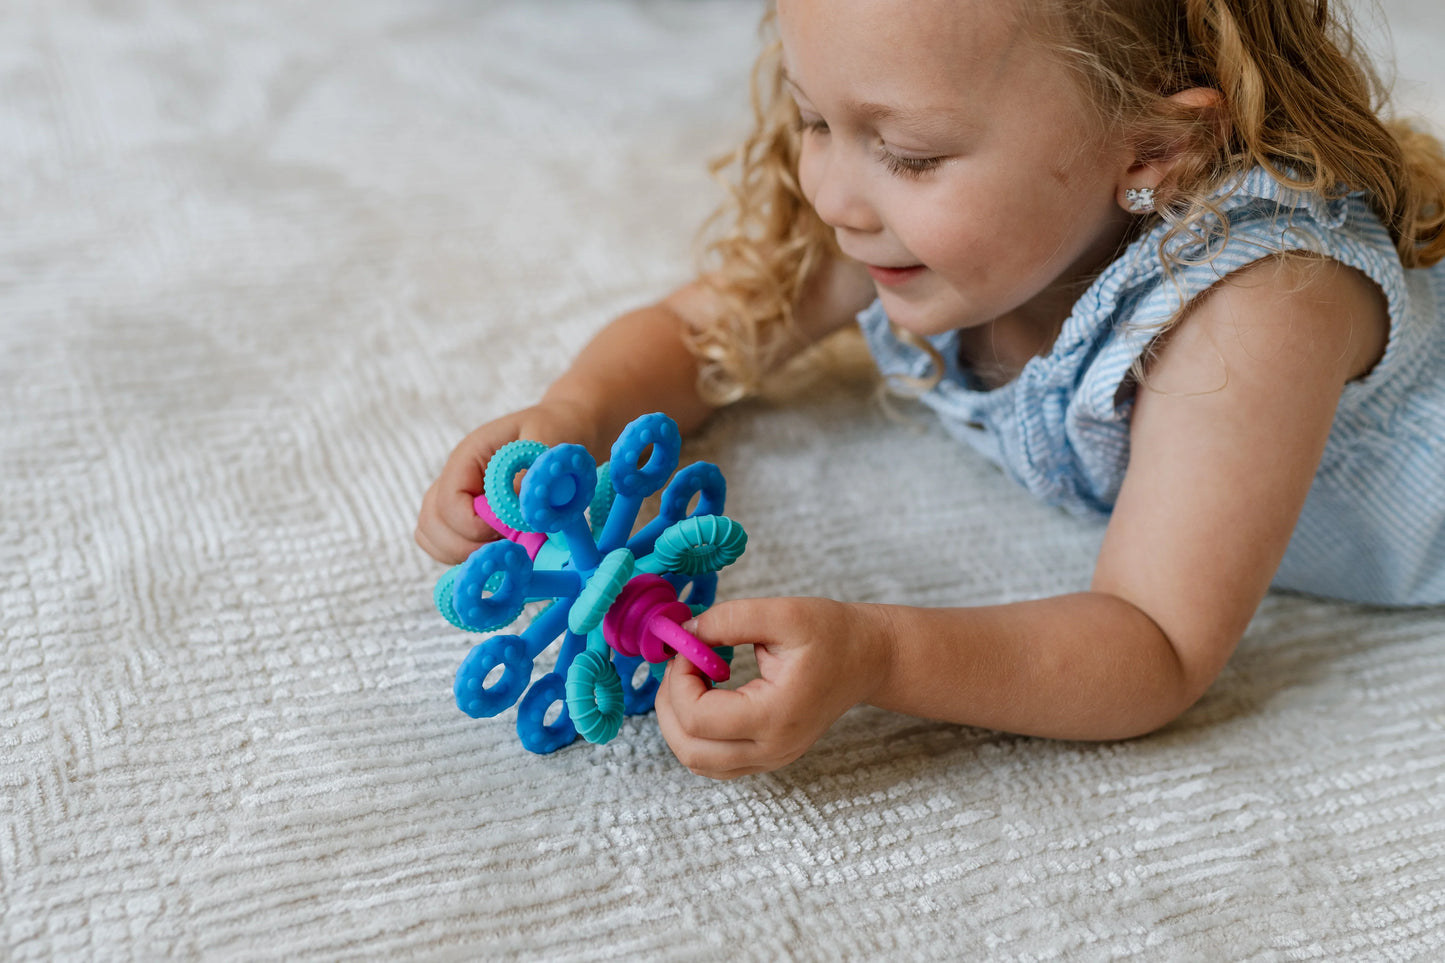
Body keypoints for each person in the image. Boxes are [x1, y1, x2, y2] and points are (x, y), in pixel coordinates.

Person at [416, 0, 1445, 779]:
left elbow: (1154, 645)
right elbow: (703, 329)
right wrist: (569, 419)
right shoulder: (898, 220)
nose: (827, 192)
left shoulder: (1259, 305)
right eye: (813, 117)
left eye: (907, 155)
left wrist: (878, 657)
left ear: (1152, 150)